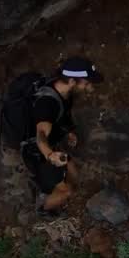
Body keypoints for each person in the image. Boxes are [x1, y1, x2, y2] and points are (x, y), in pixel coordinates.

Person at [22, 57, 104, 215]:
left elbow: (62, 115)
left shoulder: (65, 93)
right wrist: (50, 155)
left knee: (74, 174)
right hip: (37, 151)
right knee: (66, 191)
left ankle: (53, 187)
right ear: (72, 81)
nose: (90, 88)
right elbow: (41, 134)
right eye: (86, 83)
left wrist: (68, 131)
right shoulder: (46, 102)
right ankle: (44, 209)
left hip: (52, 145)